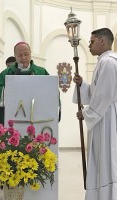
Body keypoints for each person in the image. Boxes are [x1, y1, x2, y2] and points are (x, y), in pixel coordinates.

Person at [73, 28, 117, 200]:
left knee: (107, 159)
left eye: (91, 42)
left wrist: (86, 113)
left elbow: (104, 96)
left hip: (108, 120)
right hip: (102, 117)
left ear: (102, 41)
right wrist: (83, 84)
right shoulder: (104, 62)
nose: (89, 45)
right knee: (101, 159)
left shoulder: (109, 63)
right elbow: (96, 92)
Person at [0, 42, 49, 126]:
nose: (23, 58)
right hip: (14, 115)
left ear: (30, 54)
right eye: (20, 55)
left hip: (37, 114)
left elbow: (51, 91)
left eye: (26, 54)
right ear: (15, 56)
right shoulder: (6, 73)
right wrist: (8, 91)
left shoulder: (41, 72)